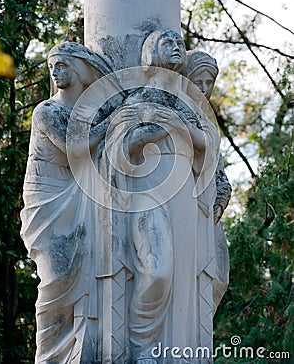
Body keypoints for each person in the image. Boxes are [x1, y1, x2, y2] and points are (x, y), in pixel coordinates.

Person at [106, 30, 220, 363]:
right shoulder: (140, 96)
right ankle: (140, 345)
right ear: (151, 51)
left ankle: (175, 350)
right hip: (147, 188)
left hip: (184, 191)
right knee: (157, 269)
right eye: (168, 43)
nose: (176, 48)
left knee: (185, 276)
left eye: (180, 43)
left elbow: (207, 144)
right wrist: (166, 124)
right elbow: (123, 146)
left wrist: (179, 125)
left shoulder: (191, 104)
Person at [20, 42, 114, 364]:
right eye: (52, 68)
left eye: (62, 65)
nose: (56, 73)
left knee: (85, 266)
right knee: (55, 277)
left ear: (80, 70)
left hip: (80, 196)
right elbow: (75, 147)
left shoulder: (89, 112)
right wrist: (113, 124)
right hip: (48, 198)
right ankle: (49, 357)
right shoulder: (47, 111)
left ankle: (80, 350)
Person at [185, 50, 232, 314]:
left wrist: (221, 197)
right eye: (198, 81)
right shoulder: (180, 115)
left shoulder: (207, 124)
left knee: (219, 277)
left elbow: (219, 171)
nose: (204, 89)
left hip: (210, 207)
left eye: (209, 82)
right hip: (186, 205)